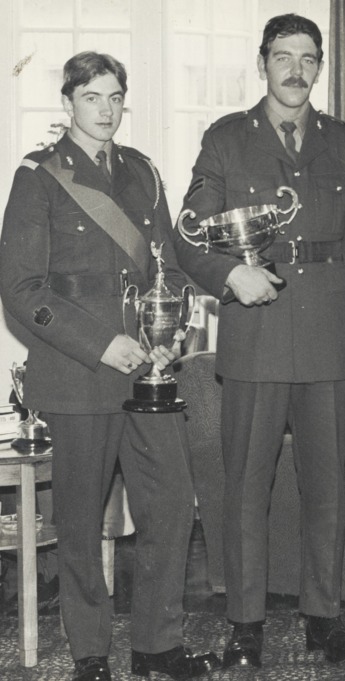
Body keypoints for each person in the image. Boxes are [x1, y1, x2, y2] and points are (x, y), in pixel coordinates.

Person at [0, 51, 219, 681]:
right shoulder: (40, 176)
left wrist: (168, 330)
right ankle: (91, 653)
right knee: (79, 521)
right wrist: (102, 344)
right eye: (92, 96)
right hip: (79, 375)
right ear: (67, 102)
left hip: (149, 374)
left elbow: (168, 266)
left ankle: (157, 646)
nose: (106, 109)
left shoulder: (143, 173)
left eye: (115, 96)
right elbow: (21, 288)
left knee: (173, 505)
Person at [174, 14, 345, 668]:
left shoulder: (344, 141)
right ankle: (245, 623)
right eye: (284, 56)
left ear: (319, 66)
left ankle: (324, 615)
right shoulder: (227, 139)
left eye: (309, 58)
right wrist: (231, 273)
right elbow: (187, 232)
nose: (297, 69)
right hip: (256, 329)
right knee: (245, 487)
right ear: (263, 62)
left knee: (328, 486)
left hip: (326, 332)